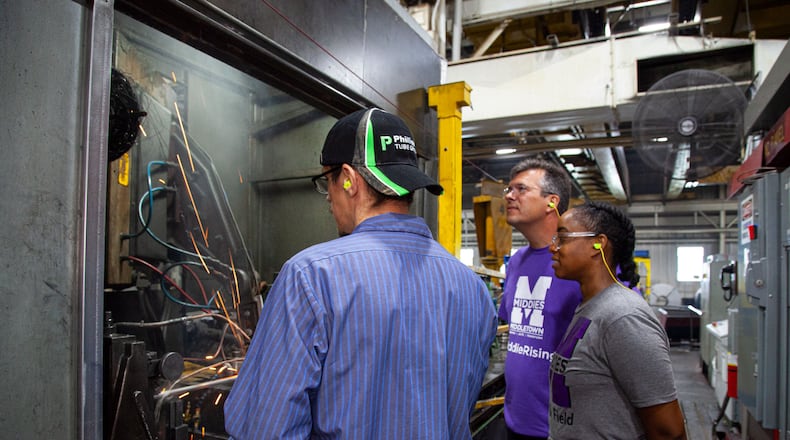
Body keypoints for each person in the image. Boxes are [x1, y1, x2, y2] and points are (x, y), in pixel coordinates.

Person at [224, 107, 498, 439]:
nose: (328, 200)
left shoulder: (310, 276)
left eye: (327, 182)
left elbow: (266, 428)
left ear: (349, 180)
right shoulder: (473, 289)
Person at [548, 201, 686, 439]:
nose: (554, 248)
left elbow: (668, 430)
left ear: (597, 244)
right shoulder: (589, 307)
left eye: (563, 237)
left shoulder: (624, 316)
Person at [499, 157, 582, 440]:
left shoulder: (582, 263)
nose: (510, 196)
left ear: (552, 202)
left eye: (521, 189)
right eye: (509, 189)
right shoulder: (517, 262)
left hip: (560, 430)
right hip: (516, 422)